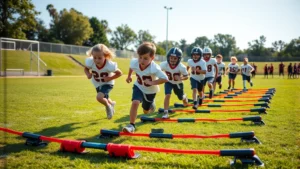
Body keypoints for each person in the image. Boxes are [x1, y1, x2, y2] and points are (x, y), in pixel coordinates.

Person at [123, 42, 168, 133]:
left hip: (150, 91)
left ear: (152, 58)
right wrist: (129, 76)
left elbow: (165, 78)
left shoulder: (154, 68)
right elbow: (131, 67)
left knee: (146, 111)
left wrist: (152, 82)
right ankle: (131, 125)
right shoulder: (135, 62)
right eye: (140, 57)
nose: (142, 61)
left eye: (145, 58)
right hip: (138, 86)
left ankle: (151, 105)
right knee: (135, 102)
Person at [84, 44, 123, 119]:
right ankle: (111, 103)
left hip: (108, 83)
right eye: (94, 57)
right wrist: (88, 74)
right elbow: (86, 68)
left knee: (99, 97)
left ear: (105, 56)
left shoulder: (109, 65)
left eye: (99, 58)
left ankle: (108, 106)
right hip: (97, 83)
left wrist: (110, 78)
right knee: (105, 97)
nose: (97, 60)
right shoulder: (91, 62)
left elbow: (120, 73)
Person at [160, 47, 189, 118]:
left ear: (179, 59)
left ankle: (184, 97)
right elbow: (157, 71)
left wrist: (181, 78)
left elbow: (187, 76)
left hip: (178, 83)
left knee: (181, 97)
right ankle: (166, 112)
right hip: (168, 82)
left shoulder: (181, 67)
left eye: (175, 58)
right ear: (168, 57)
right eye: (171, 58)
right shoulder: (164, 64)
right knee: (167, 95)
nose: (172, 60)